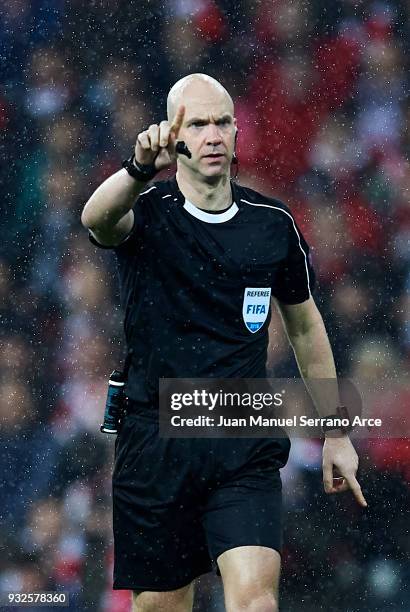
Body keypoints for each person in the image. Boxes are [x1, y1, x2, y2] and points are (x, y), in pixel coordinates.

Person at [81, 73, 367, 612]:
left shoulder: (272, 223)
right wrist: (140, 169)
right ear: (173, 135)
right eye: (198, 124)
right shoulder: (147, 213)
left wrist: (336, 431)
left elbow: (306, 328)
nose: (213, 135)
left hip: (241, 438)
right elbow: (94, 218)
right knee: (162, 606)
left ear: (237, 133)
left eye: (223, 123)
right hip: (154, 439)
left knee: (256, 600)